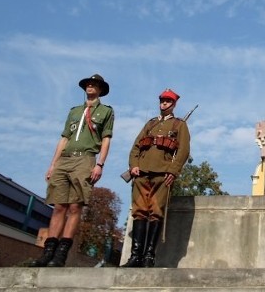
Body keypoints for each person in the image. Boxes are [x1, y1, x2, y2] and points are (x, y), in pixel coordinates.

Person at [29, 73, 114, 267]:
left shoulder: (106, 111)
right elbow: (64, 138)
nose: (90, 87)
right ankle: (47, 253)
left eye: (94, 85)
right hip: (65, 159)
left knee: (75, 206)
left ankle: (61, 255)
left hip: (85, 159)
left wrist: (100, 164)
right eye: (88, 84)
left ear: (100, 89)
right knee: (59, 206)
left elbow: (107, 138)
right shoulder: (75, 111)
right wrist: (53, 164)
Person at [121, 87, 191, 268]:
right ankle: (135, 256)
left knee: (156, 212)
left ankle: (149, 256)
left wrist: (173, 171)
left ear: (174, 104)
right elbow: (136, 146)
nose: (164, 104)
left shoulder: (179, 125)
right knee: (139, 212)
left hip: (162, 173)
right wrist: (134, 165)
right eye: (162, 101)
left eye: (168, 101)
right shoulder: (150, 124)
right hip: (142, 173)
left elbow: (183, 150)